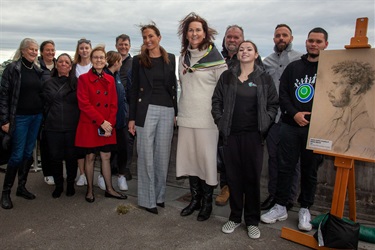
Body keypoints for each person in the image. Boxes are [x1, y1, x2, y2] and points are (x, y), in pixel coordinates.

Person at [261, 27, 329, 232]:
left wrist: (315, 117)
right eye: (311, 41)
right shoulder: (294, 67)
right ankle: (280, 206)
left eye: (318, 41)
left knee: (309, 171)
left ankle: (305, 209)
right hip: (290, 126)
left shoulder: (328, 69)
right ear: (306, 42)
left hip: (315, 129)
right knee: (285, 167)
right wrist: (295, 114)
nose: (313, 44)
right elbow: (283, 94)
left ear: (325, 44)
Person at [212, 40, 278, 239]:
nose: (244, 52)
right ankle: (234, 217)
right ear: (238, 54)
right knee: (233, 178)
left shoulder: (264, 78)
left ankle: (252, 221)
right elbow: (216, 101)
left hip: (254, 137)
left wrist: (265, 123)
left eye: (249, 49)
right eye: (241, 49)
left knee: (251, 179)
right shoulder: (227, 76)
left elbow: (273, 104)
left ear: (256, 54)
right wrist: (220, 121)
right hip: (231, 136)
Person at [176, 12, 227, 221]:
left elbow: (223, 92)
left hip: (208, 121)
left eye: (198, 30)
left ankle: (207, 203)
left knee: (206, 163)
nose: (194, 33)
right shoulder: (183, 58)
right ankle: (194, 200)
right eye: (191, 30)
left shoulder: (216, 59)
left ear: (205, 33)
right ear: (186, 34)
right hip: (187, 118)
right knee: (191, 161)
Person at [128, 23, 177, 214]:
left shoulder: (170, 58)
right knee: (146, 156)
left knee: (162, 156)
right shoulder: (138, 60)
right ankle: (148, 200)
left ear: (159, 37)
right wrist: (131, 118)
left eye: (151, 36)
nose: (148, 40)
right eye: (144, 37)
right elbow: (133, 90)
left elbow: (173, 87)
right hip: (145, 110)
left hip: (167, 110)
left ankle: (159, 196)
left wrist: (176, 112)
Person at [75, 46, 127, 203]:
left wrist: (109, 123)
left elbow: (113, 104)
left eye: (101, 58)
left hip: (106, 125)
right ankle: (90, 190)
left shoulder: (110, 79)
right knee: (90, 157)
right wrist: (102, 122)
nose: (99, 60)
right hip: (91, 123)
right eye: (96, 57)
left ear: (105, 61)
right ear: (91, 60)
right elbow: (84, 104)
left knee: (106, 156)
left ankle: (109, 189)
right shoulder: (83, 79)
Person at [261, 24, 303, 211]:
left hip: (292, 118)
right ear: (273, 39)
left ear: (291, 38)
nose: (281, 38)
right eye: (278, 35)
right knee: (273, 159)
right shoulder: (267, 61)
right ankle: (273, 195)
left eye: (284, 35)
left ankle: (289, 198)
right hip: (273, 119)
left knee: (292, 161)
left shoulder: (299, 59)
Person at [0, 38, 44, 209]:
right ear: (23, 50)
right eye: (31, 49)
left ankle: (21, 187)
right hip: (19, 118)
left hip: (36, 117)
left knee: (27, 153)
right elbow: (3, 95)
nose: (34, 52)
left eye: (36, 49)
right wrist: (4, 120)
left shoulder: (37, 70)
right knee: (17, 154)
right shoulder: (13, 69)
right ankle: (6, 192)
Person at [41, 53, 80, 198]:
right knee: (55, 158)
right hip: (53, 127)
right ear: (56, 65)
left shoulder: (77, 83)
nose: (63, 64)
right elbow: (43, 104)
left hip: (72, 127)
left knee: (71, 157)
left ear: (71, 66)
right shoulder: (47, 83)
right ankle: (58, 185)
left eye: (67, 62)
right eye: (61, 62)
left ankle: (70, 184)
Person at [214, 24, 245, 207]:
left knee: (240, 156)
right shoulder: (217, 58)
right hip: (221, 116)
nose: (232, 40)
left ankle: (240, 189)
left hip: (242, 117)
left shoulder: (249, 58)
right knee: (223, 154)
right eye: (229, 37)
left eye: (236, 37)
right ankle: (226, 187)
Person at [321, 60, 375, 158]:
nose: (329, 90)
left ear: (355, 89)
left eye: (337, 84)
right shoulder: (340, 116)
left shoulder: (365, 130)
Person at [102, 51, 129, 191]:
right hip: (108, 123)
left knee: (123, 149)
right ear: (116, 62)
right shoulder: (104, 76)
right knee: (107, 151)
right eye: (120, 61)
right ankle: (103, 176)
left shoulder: (117, 76)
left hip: (120, 122)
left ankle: (121, 175)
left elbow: (122, 98)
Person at [72, 38, 92, 187]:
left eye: (86, 48)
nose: (84, 50)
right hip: (76, 109)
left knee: (92, 144)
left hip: (93, 110)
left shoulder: (96, 66)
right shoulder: (74, 68)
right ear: (78, 50)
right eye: (81, 48)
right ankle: (82, 174)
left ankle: (93, 173)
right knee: (79, 143)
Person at [38, 40, 57, 185]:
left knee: (56, 143)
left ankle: (57, 171)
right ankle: (48, 172)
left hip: (57, 110)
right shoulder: (37, 66)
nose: (50, 53)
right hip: (42, 110)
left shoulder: (60, 65)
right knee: (45, 143)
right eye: (47, 50)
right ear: (42, 51)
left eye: (52, 50)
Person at [115, 34, 134, 181]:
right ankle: (115, 166)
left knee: (127, 139)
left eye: (126, 44)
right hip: (113, 105)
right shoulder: (112, 61)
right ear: (116, 45)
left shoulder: (134, 63)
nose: (123, 47)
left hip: (127, 105)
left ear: (129, 46)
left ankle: (125, 168)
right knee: (114, 137)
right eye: (121, 44)